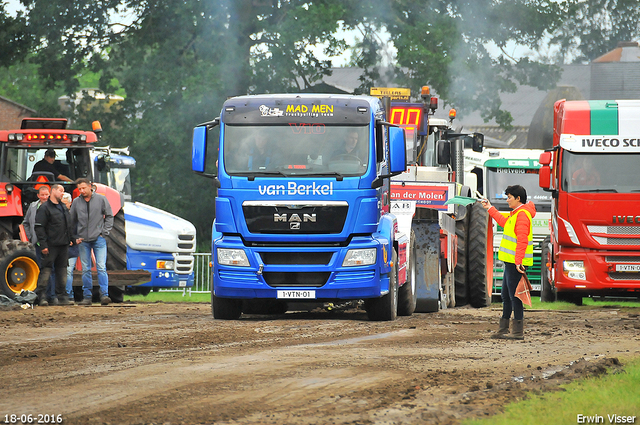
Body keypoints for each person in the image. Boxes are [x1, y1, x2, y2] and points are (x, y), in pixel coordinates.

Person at [481, 185, 536, 340]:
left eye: (509, 197)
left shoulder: (522, 215)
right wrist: (490, 208)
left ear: (518, 198)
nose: (507, 200)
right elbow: (504, 222)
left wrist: (518, 262)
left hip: (515, 264)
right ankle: (503, 329)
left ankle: (517, 332)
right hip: (510, 262)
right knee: (506, 295)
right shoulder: (516, 214)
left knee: (515, 296)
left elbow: (522, 240)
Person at [70, 178, 113, 306]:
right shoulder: (76, 202)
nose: (82, 191)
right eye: (79, 189)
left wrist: (104, 232)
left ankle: (104, 295)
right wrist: (74, 237)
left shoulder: (101, 199)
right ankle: (87, 297)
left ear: (90, 187)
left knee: (101, 266)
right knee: (86, 269)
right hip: (83, 240)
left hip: (98, 238)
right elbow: (72, 221)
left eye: (84, 188)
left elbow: (109, 216)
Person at [34, 184, 74, 306]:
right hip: (50, 245)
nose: (63, 193)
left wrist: (71, 239)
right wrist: (44, 245)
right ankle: (42, 297)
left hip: (63, 245)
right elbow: (39, 228)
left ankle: (62, 297)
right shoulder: (44, 208)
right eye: (61, 191)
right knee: (46, 271)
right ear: (54, 191)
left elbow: (68, 224)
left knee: (62, 271)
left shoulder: (63, 206)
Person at [23, 185, 57, 302]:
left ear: (49, 195)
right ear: (38, 195)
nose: (44, 197)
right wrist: (31, 236)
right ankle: (42, 296)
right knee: (40, 269)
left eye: (46, 195)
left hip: (50, 243)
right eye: (42, 195)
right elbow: (26, 222)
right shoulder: (32, 207)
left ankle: (52, 296)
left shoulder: (54, 207)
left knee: (51, 269)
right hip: (37, 243)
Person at [62, 192, 79, 300]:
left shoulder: (75, 216)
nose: (64, 206)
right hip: (59, 247)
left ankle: (68, 295)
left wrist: (73, 240)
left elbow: (79, 230)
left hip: (72, 248)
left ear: (70, 203)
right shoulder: (56, 214)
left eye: (65, 204)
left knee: (68, 271)